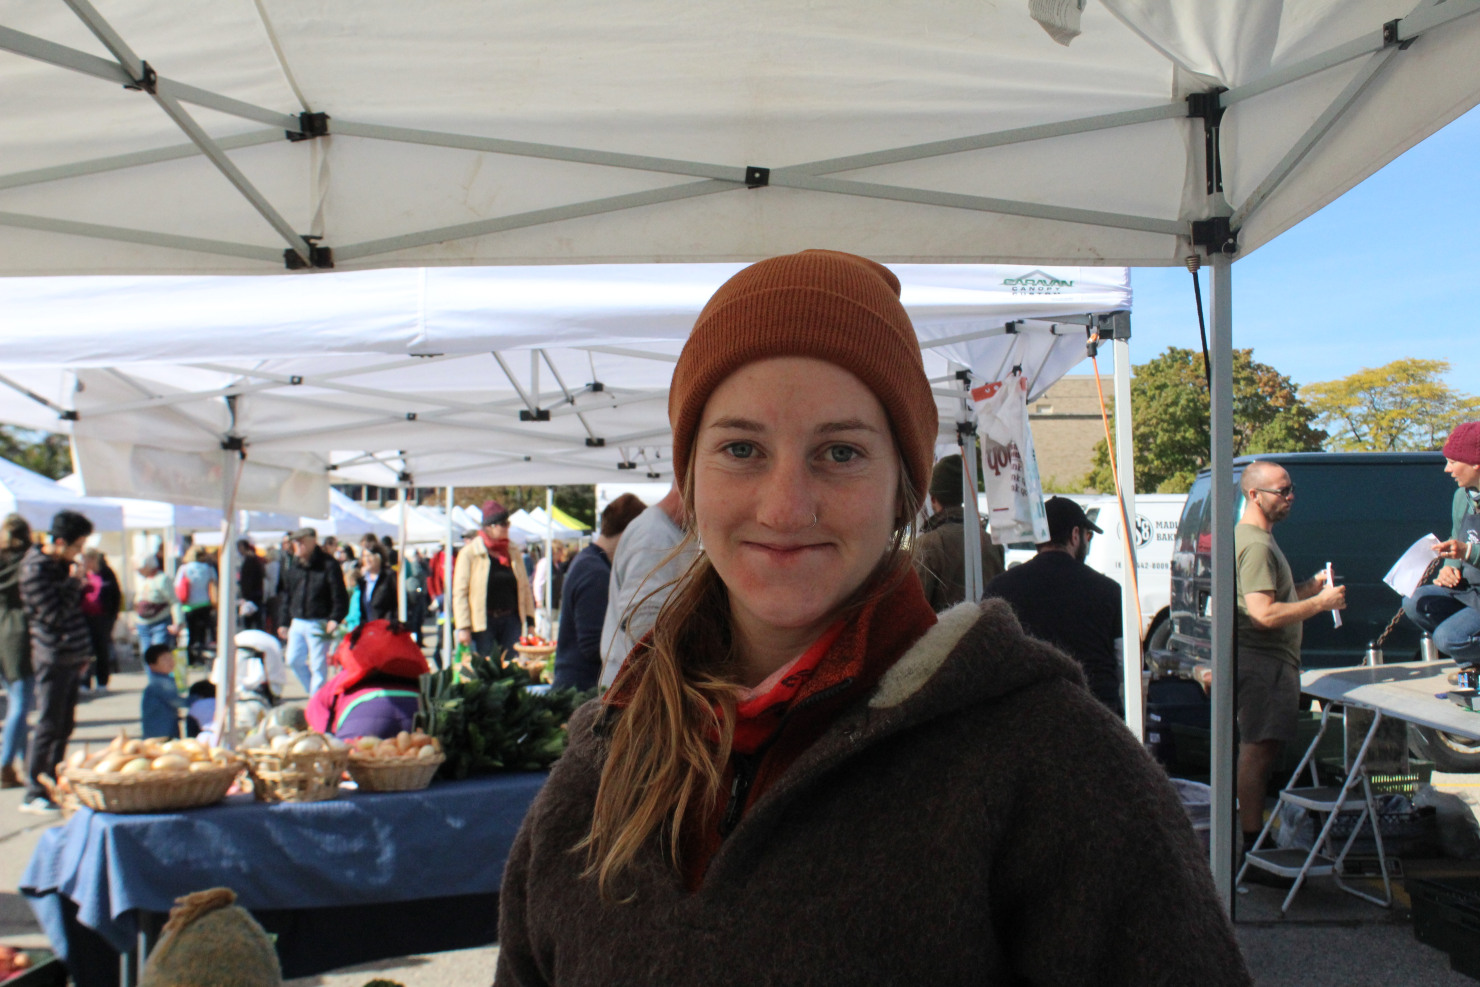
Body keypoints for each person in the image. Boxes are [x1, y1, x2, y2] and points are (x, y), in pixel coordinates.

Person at [495, 250, 1247, 986]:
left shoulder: (1051, 764)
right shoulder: (601, 764)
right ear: (689, 476)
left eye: (841, 452)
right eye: (741, 447)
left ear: (905, 491)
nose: (785, 506)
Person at [1234, 460, 1346, 856]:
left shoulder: (1258, 540)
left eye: (1291, 488)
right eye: (1282, 491)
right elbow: (1263, 614)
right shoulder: (1256, 545)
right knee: (1257, 750)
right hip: (1263, 663)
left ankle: (1253, 838)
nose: (1290, 497)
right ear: (1254, 495)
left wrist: (1308, 587)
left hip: (1270, 663)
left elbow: (1275, 600)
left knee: (1261, 749)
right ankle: (1253, 844)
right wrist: (1320, 603)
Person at [981, 496, 1124, 715]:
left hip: (1023, 717)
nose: (1087, 542)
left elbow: (987, 660)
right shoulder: (1108, 590)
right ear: (1075, 535)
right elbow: (1122, 663)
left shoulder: (1000, 589)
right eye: (1088, 536)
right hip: (1095, 718)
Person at [19, 509, 94, 815]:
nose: (78, 553)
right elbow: (54, 614)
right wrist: (74, 582)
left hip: (72, 654)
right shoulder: (35, 570)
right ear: (60, 541)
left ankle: (54, 779)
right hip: (52, 655)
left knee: (65, 724)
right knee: (49, 723)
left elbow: (75, 611)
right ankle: (34, 789)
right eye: (76, 546)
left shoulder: (59, 565)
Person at [597, 484, 697, 688]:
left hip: (639, 683)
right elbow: (641, 622)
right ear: (685, 484)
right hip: (638, 687)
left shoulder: (662, 530)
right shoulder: (654, 534)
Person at [552, 495, 647, 691]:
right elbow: (593, 644)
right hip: (581, 688)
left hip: (577, 683)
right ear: (629, 532)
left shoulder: (590, 562)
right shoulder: (594, 572)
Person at [1404, 421, 1480, 663]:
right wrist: (1450, 568)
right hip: (1472, 592)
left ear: (1475, 463)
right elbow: (1457, 537)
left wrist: (1467, 552)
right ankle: (1474, 667)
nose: (1447, 469)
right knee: (1415, 601)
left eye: (1453, 462)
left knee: (1449, 638)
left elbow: (1466, 548)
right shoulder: (1462, 497)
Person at [306, 619, 428, 739]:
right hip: (416, 711)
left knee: (353, 756)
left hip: (360, 718)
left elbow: (315, 709)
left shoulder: (348, 675)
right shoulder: (411, 669)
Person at [913, 453, 1004, 611]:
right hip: (986, 632)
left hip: (943, 634)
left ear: (933, 499)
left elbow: (914, 608)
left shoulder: (929, 543)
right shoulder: (991, 542)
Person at [453, 501, 535, 662]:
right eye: (503, 524)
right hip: (483, 623)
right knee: (487, 669)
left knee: (513, 668)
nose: (507, 527)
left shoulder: (513, 550)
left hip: (511, 620)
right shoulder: (469, 553)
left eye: (508, 523)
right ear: (489, 526)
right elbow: (460, 593)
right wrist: (463, 627)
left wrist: (530, 621)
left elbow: (524, 587)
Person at [274, 528, 349, 696]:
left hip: (319, 621)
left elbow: (339, 594)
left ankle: (317, 701)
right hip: (298, 620)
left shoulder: (328, 564)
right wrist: (283, 621)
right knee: (293, 660)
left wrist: (335, 618)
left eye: (301, 541)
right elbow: (287, 595)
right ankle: (317, 696)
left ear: (312, 541)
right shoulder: (294, 566)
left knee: (318, 666)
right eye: (295, 542)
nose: (297, 545)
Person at [0, 515, 32, 789]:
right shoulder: (27, 562)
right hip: (18, 634)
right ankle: (5, 763)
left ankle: (26, 763)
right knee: (21, 702)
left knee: (15, 701)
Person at [79, 548, 121, 694]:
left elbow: (116, 595)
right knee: (85, 650)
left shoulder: (107, 574)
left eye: (88, 560)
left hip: (102, 617)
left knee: (101, 650)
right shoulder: (81, 574)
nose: (85, 563)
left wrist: (113, 617)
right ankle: (84, 682)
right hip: (84, 617)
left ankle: (102, 682)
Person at [176, 545, 217, 666]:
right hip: (205, 603)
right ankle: (201, 655)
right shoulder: (208, 569)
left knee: (191, 632)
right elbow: (214, 583)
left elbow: (177, 585)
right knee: (203, 632)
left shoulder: (184, 569)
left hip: (189, 605)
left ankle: (191, 657)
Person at [141, 644, 189, 740]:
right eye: (164, 659)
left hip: (159, 730)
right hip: (161, 732)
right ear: (152, 665)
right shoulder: (161, 683)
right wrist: (196, 699)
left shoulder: (164, 679)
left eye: (171, 658)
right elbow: (176, 701)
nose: (170, 661)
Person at [133, 556, 179, 655]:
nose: (139, 571)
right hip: (142, 623)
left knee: (159, 654)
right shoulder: (143, 580)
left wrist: (178, 622)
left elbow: (174, 601)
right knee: (146, 654)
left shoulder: (163, 579)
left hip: (160, 621)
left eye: (141, 568)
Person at [355, 543, 400, 624]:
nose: (367, 559)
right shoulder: (363, 581)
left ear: (379, 557)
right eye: (364, 556)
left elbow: (397, 604)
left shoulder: (389, 577)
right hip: (370, 629)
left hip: (387, 628)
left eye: (370, 556)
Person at [237, 538, 266, 631]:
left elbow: (248, 580)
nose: (238, 550)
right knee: (255, 621)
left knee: (250, 621)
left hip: (252, 595)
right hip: (256, 594)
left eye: (239, 547)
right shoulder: (254, 559)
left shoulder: (249, 560)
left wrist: (245, 595)